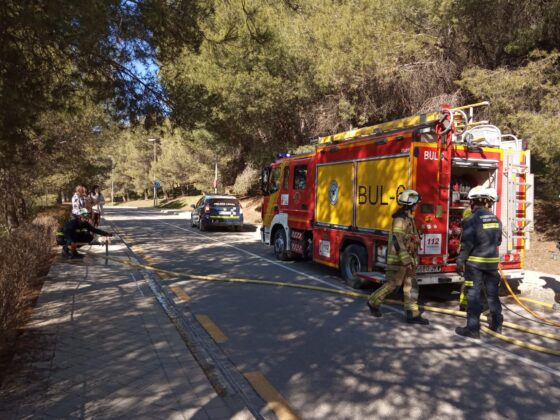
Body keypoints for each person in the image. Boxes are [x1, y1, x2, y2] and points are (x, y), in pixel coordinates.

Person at [367, 190, 429, 325]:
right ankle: (373, 302)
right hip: (399, 260)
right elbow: (397, 240)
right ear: (410, 203)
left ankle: (412, 314)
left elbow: (409, 238)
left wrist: (416, 240)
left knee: (411, 286)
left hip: (409, 260)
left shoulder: (409, 219)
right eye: (416, 203)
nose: (417, 205)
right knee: (392, 285)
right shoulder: (400, 220)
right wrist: (406, 259)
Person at [455, 186, 503, 338]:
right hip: (492, 264)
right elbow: (499, 241)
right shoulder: (497, 220)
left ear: (473, 202)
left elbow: (466, 244)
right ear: (488, 203)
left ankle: (473, 329)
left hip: (474, 265)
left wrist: (459, 261)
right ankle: (497, 325)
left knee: (473, 295)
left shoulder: (471, 220)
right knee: (492, 295)